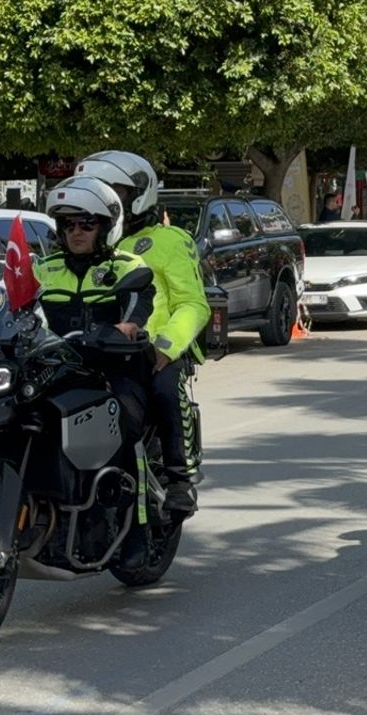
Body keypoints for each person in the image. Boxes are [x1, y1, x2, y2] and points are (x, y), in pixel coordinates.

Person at [75, 151, 211, 516]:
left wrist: (165, 347)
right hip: (95, 350)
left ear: (138, 193)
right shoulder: (86, 241)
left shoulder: (168, 241)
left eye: (115, 192)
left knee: (165, 391)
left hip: (151, 352)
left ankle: (180, 479)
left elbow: (193, 304)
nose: (107, 200)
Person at [36, 176, 156, 454]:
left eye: (87, 224)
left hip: (110, 366)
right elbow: (16, 302)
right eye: (69, 224)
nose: (77, 231)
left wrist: (129, 325)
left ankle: (143, 486)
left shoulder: (127, 266)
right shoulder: (43, 268)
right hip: (53, 368)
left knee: (127, 423)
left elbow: (140, 299)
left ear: (105, 227)